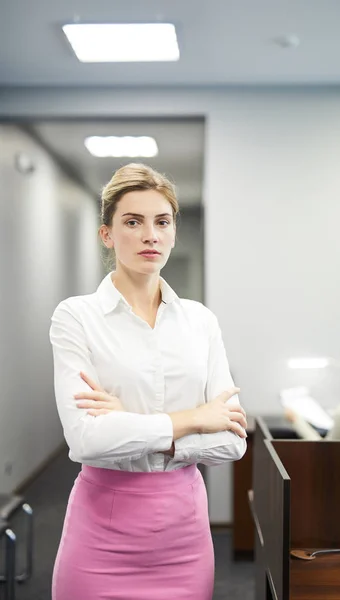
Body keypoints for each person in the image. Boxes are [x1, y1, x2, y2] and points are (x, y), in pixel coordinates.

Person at [49, 163, 247, 600]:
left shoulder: (201, 321)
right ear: (107, 234)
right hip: (99, 534)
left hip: (185, 536)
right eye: (132, 222)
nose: (150, 235)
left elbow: (233, 441)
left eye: (162, 221)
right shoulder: (76, 317)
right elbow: (86, 440)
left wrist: (135, 424)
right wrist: (195, 418)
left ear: (174, 230)